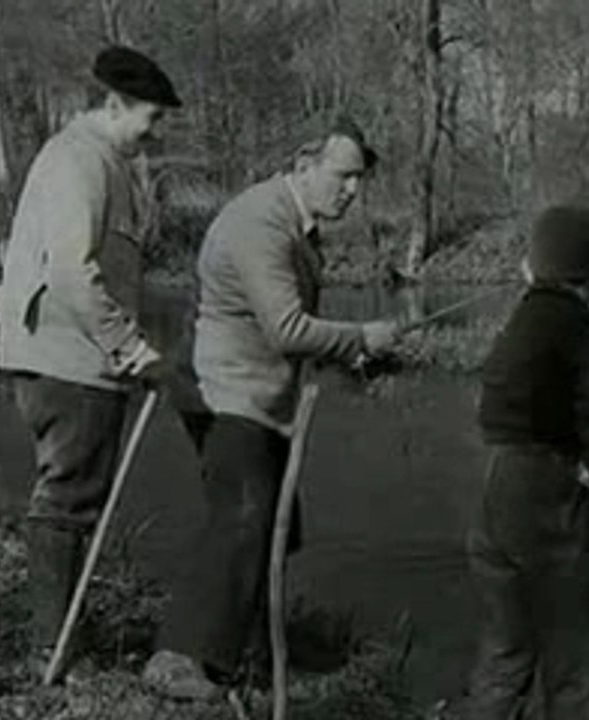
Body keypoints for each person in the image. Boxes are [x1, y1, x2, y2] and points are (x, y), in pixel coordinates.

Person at [143, 115, 401, 698]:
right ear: (303, 165)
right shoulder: (262, 221)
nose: (353, 191)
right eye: (343, 176)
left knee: (271, 529)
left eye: (359, 180)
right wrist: (362, 337)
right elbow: (286, 328)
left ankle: (247, 654)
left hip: (256, 395)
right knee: (242, 518)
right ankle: (177, 658)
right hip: (225, 393)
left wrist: (349, 357)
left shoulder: (296, 224)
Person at [0, 45, 181, 677]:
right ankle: (52, 650)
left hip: (79, 356)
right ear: (113, 104)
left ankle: (61, 641)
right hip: (67, 359)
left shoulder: (106, 162)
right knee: (66, 498)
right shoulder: (79, 160)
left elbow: (113, 272)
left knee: (76, 497)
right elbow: (73, 274)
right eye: (150, 119)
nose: (155, 133)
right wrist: (130, 348)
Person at [464, 205, 589, 718]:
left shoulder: (521, 320)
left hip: (499, 488)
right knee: (580, 660)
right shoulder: (579, 326)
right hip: (550, 493)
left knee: (504, 650)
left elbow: (493, 403)